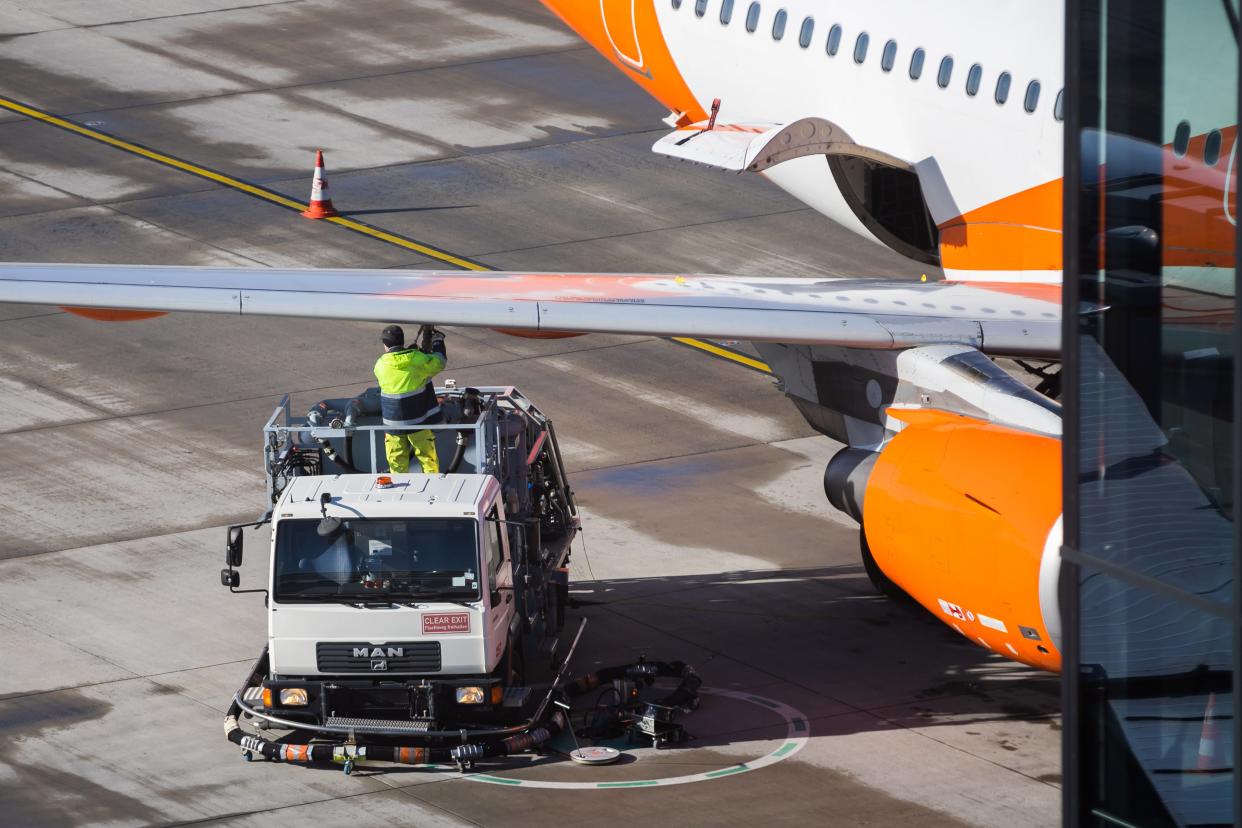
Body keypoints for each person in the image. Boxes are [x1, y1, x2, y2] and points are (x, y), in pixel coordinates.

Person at [373, 324, 446, 474]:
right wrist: (438, 342)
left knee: (397, 463)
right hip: (417, 421)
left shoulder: (380, 365)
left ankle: (399, 493)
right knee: (427, 458)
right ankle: (433, 487)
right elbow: (439, 363)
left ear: (385, 344)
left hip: (393, 425)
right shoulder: (417, 359)